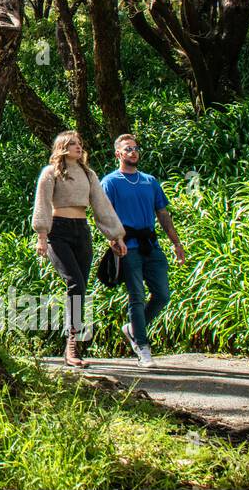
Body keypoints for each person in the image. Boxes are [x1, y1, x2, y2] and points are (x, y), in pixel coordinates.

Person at [32, 130, 127, 368]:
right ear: (62, 147)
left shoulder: (88, 173)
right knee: (74, 281)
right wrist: (42, 235)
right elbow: (42, 203)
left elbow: (101, 205)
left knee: (82, 285)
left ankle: (72, 341)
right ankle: (72, 344)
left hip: (81, 230)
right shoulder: (50, 172)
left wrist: (115, 236)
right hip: (58, 232)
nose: (78, 147)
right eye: (73, 143)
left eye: (79, 143)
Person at [100, 134, 187, 368]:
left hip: (151, 245)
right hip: (128, 245)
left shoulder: (150, 181)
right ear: (118, 153)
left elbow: (163, 214)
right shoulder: (110, 182)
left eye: (136, 148)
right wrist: (113, 240)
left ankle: (132, 328)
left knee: (162, 295)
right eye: (128, 149)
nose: (133, 152)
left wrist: (176, 243)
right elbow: (103, 215)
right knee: (136, 296)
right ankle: (142, 346)